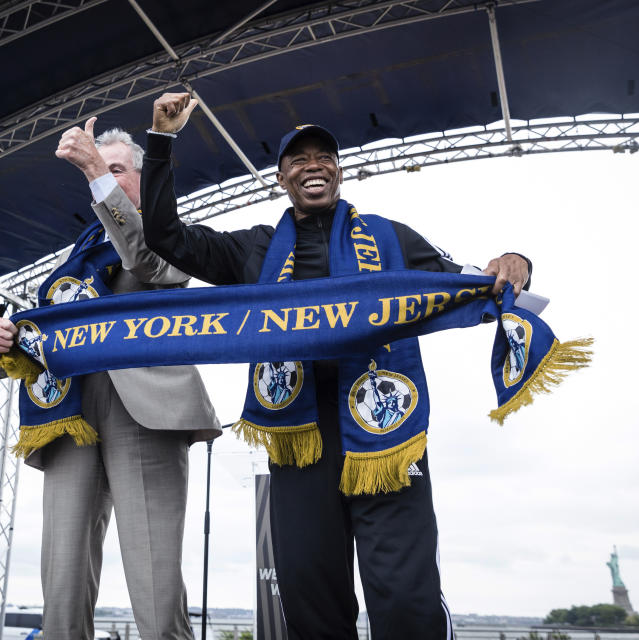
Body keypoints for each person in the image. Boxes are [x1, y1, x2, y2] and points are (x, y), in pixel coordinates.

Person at [139, 92, 532, 640]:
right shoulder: (251, 251)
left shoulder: (392, 237)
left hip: (384, 430)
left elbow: (466, 281)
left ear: (340, 172)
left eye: (324, 156)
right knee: (308, 594)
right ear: (281, 179)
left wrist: (515, 263)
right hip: (302, 439)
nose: (313, 165)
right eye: (298, 160)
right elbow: (164, 236)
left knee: (405, 596)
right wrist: (162, 140)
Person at [0, 117, 221, 640]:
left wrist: (95, 168)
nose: (103, 178)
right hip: (69, 408)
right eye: (98, 169)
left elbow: (152, 262)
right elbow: (55, 323)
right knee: (61, 577)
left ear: (139, 178)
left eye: (116, 169)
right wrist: (10, 340)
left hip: (144, 405)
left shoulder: (165, 224)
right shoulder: (81, 248)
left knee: (155, 580)